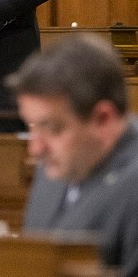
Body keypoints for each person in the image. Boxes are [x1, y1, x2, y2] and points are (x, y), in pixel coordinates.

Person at [10, 33, 138, 276]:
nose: (35, 149)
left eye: (52, 128)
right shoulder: (57, 164)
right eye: (31, 127)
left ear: (103, 119)